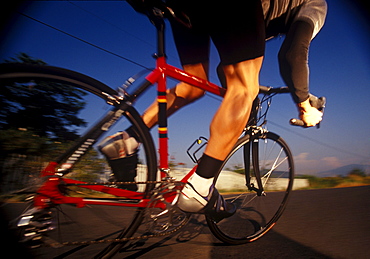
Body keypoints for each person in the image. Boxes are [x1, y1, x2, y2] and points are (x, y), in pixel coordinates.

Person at [99, 0, 327, 221]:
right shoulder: (315, 4)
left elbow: (225, 65)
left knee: (193, 84)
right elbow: (293, 55)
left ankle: (127, 140)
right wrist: (304, 103)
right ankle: (200, 187)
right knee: (244, 87)